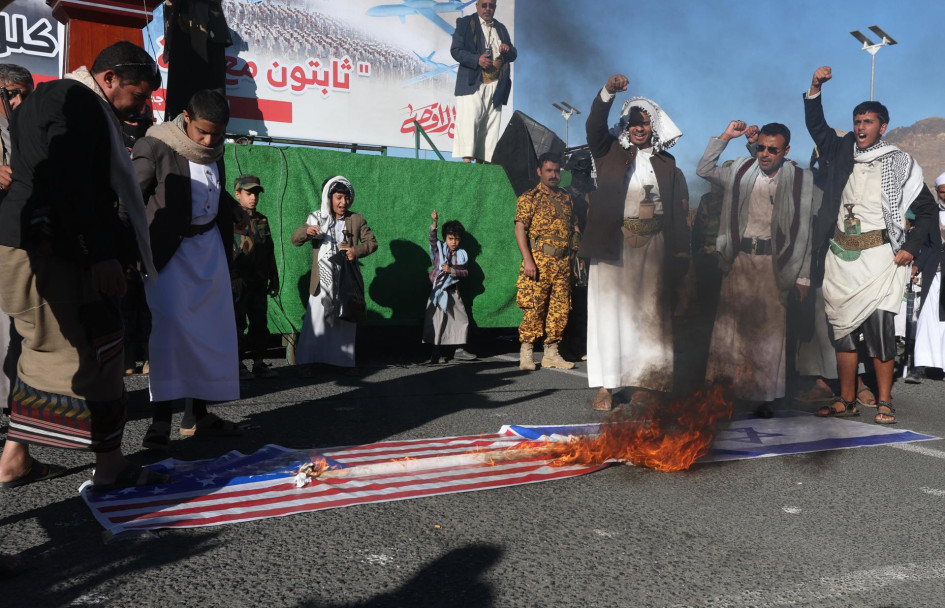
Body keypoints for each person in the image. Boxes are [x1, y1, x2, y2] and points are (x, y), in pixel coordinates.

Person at [0, 41, 167, 490]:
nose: (144, 104)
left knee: (35, 348)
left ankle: (14, 458)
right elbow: (68, 178)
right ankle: (110, 465)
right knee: (101, 345)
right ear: (109, 78)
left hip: (25, 243)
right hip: (51, 250)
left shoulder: (43, 97)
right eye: (140, 93)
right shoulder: (78, 101)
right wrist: (100, 253)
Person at [804, 65, 938, 424]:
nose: (861, 127)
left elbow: (926, 212)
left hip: (881, 258)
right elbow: (817, 127)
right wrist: (815, 87)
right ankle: (846, 399)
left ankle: (884, 400)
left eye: (868, 122)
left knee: (880, 331)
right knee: (843, 332)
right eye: (857, 121)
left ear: (883, 126)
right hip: (841, 257)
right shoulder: (841, 151)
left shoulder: (900, 163)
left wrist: (910, 245)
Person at [133, 88, 247, 451]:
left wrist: (231, 207)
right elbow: (132, 190)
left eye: (217, 133)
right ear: (185, 118)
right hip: (170, 253)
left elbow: (206, 188)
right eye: (202, 132)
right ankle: (160, 421)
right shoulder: (156, 145)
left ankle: (197, 416)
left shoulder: (215, 152)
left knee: (210, 333)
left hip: (208, 250)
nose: (209, 140)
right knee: (170, 334)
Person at [579, 74, 690, 411]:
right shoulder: (607, 149)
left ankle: (647, 383)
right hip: (613, 245)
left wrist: (681, 254)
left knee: (650, 316)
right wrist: (608, 92)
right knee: (608, 314)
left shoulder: (667, 164)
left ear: (653, 126)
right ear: (626, 125)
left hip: (654, 247)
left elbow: (679, 212)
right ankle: (607, 386)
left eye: (645, 123)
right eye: (634, 122)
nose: (640, 128)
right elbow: (595, 124)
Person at [697, 121, 814, 417]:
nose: (764, 154)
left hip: (775, 265)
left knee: (768, 333)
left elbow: (805, 232)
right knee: (730, 331)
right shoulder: (740, 170)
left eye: (772, 150)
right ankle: (723, 394)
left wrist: (802, 276)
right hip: (738, 260)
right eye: (760, 147)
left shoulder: (800, 179)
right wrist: (726, 136)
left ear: (786, 151)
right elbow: (704, 169)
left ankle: (762, 397)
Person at [291, 176, 377, 373]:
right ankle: (309, 363)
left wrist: (356, 251)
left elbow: (372, 242)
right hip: (322, 279)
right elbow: (295, 239)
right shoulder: (316, 218)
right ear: (328, 198)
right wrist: (308, 231)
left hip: (346, 279)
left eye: (346, 198)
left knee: (344, 322)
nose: (343, 202)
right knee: (316, 322)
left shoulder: (356, 219)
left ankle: (343, 363)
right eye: (339, 197)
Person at [514, 152, 575, 371]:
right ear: (540, 171)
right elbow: (520, 228)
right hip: (539, 260)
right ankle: (527, 352)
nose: (553, 175)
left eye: (557, 171)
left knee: (560, 308)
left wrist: (574, 259)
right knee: (534, 306)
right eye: (549, 170)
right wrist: (528, 260)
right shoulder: (529, 198)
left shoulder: (566, 197)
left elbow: (572, 228)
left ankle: (551, 353)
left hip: (562, 262)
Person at [0, 64, 32, 417]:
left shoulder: (30, 129)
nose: (20, 99)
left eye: (25, 92)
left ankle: (16, 409)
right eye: (11, 92)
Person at [450, 0, 516, 163]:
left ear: (495, 7)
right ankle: (466, 162)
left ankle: (484, 164)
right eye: (484, 5)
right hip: (473, 82)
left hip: (496, 82)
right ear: (477, 6)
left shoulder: (500, 28)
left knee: (491, 124)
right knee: (470, 118)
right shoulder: (466, 23)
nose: (488, 9)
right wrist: (476, 59)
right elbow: (456, 50)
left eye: (491, 5)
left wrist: (507, 50)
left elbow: (513, 54)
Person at [232, 174, 279, 380]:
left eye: (256, 194)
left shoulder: (262, 219)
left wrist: (274, 278)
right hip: (239, 281)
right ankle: (237, 364)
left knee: (259, 323)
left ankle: (259, 362)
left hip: (259, 281)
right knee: (237, 324)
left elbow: (269, 251)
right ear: (237, 194)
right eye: (249, 193)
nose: (253, 197)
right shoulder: (230, 218)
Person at [424, 209, 476, 363]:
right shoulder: (439, 249)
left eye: (457, 239)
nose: (454, 242)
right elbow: (433, 240)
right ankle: (435, 352)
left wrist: (452, 270)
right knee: (437, 321)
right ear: (445, 238)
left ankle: (459, 350)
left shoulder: (462, 254)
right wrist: (434, 224)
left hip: (454, 291)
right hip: (439, 291)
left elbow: (465, 273)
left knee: (461, 319)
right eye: (451, 238)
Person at [913, 172, 945, 373]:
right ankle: (925, 363)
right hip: (935, 271)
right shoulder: (931, 213)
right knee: (928, 316)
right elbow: (925, 244)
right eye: (943, 192)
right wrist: (917, 265)